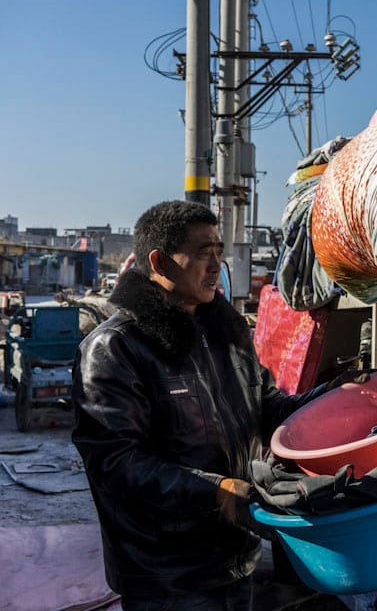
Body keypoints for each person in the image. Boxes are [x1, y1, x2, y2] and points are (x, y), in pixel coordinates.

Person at [72, 200, 328, 610]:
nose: (215, 264)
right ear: (159, 261)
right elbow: (115, 462)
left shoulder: (225, 334)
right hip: (165, 573)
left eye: (219, 251)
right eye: (202, 252)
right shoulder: (115, 347)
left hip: (234, 555)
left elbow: (272, 409)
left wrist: (337, 397)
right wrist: (218, 492)